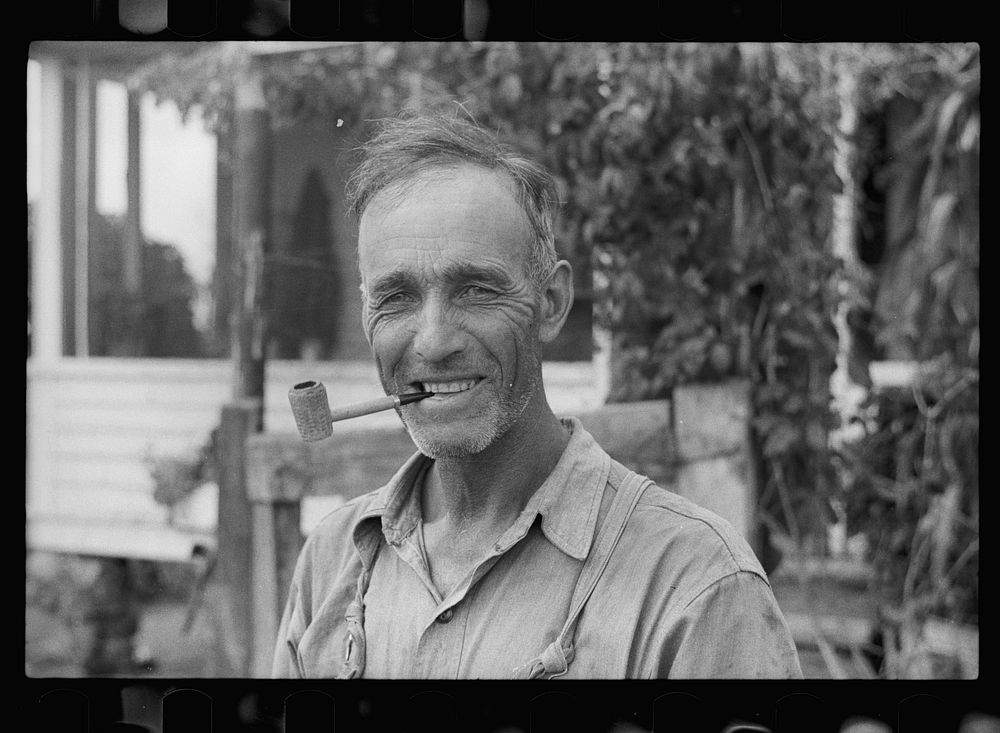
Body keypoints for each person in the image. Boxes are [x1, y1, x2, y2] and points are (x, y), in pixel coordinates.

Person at [271, 112, 803, 679]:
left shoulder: (695, 586)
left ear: (551, 303)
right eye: (396, 297)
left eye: (476, 290)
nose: (433, 342)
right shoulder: (332, 562)